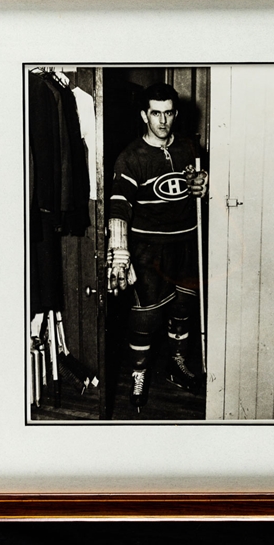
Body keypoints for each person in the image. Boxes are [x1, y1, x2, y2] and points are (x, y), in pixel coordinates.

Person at [106, 82, 208, 411]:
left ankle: (176, 367)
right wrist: (120, 255)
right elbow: (119, 206)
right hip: (149, 249)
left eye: (168, 113)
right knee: (145, 322)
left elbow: (200, 187)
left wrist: (202, 185)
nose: (162, 120)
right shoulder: (130, 157)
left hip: (186, 243)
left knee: (183, 312)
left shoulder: (189, 147)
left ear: (175, 114)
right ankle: (138, 378)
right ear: (144, 115)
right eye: (155, 113)